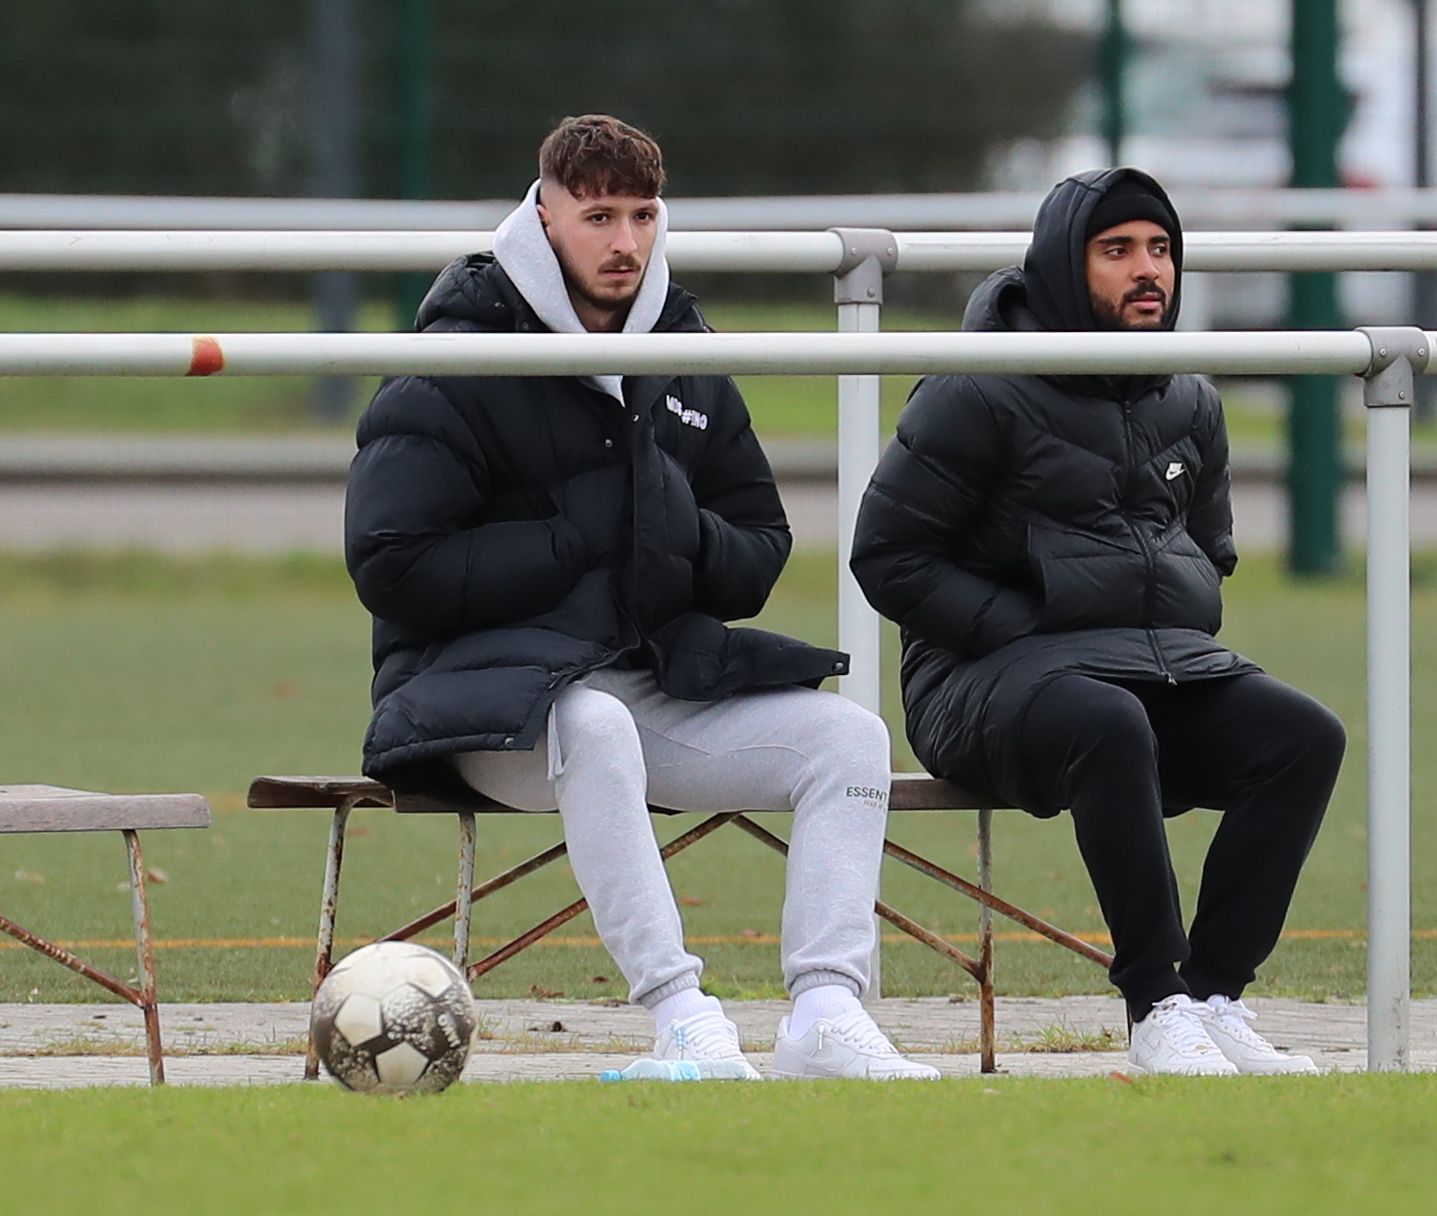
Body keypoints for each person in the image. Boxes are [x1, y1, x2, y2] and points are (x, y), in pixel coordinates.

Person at [344, 114, 937, 1082]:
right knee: (597, 728)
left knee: (850, 738)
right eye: (598, 216)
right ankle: (680, 1017)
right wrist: (580, 532)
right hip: (484, 707)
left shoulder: (683, 345)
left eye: (643, 214)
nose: (625, 242)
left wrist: (667, 526)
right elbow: (391, 565)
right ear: (544, 215)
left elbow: (759, 552)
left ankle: (826, 1013)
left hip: (647, 684)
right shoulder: (454, 357)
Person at [850, 168, 1346, 1076]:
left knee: (1305, 737)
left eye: (1160, 250)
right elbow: (888, 556)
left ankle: (1211, 994)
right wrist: (1018, 623)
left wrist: (1174, 611)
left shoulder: (1189, 396)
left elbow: (1211, 547)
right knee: (1105, 720)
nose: (1146, 270)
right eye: (1117, 251)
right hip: (980, 680)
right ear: (1062, 268)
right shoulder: (978, 388)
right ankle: (1154, 1007)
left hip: (1153, 666)